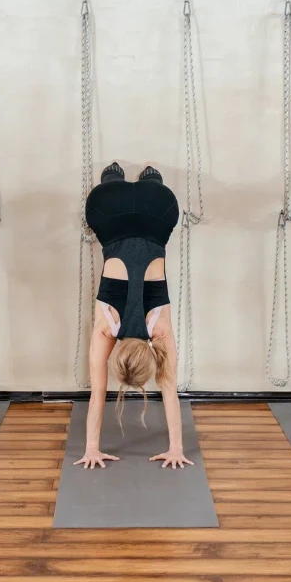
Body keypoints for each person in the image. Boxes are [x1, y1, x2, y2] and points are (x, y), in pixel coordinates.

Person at [73, 162, 193, 470]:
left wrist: (177, 448)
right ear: (117, 355)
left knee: (153, 195)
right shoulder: (106, 329)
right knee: (107, 195)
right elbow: (98, 395)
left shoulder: (159, 330)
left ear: (151, 360)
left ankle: (151, 180)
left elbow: (170, 391)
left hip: (159, 208)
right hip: (109, 208)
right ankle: (113, 179)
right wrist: (91, 449)